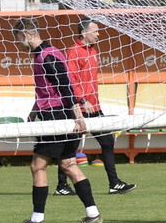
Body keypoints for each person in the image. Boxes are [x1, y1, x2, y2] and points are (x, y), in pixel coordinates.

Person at [10, 17, 102, 223]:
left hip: (57, 116)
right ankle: (93, 214)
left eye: (18, 40)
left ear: (26, 36)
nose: (18, 45)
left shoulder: (47, 56)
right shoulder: (45, 54)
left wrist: (77, 115)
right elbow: (48, 88)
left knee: (38, 165)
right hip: (57, 114)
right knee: (69, 165)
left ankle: (37, 218)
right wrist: (34, 111)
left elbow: (65, 86)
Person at [57, 19, 136, 196]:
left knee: (107, 141)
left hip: (94, 108)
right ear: (84, 33)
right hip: (80, 108)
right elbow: (70, 80)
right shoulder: (73, 52)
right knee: (71, 146)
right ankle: (62, 186)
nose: (99, 34)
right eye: (95, 31)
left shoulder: (93, 51)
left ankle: (114, 183)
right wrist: (83, 100)